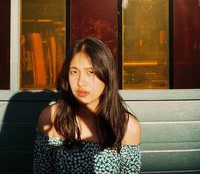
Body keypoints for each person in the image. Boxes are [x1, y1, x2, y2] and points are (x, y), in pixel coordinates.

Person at [33, 37, 141, 173]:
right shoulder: (52, 118)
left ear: (107, 75)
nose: (81, 82)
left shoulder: (127, 127)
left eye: (91, 72)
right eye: (74, 72)